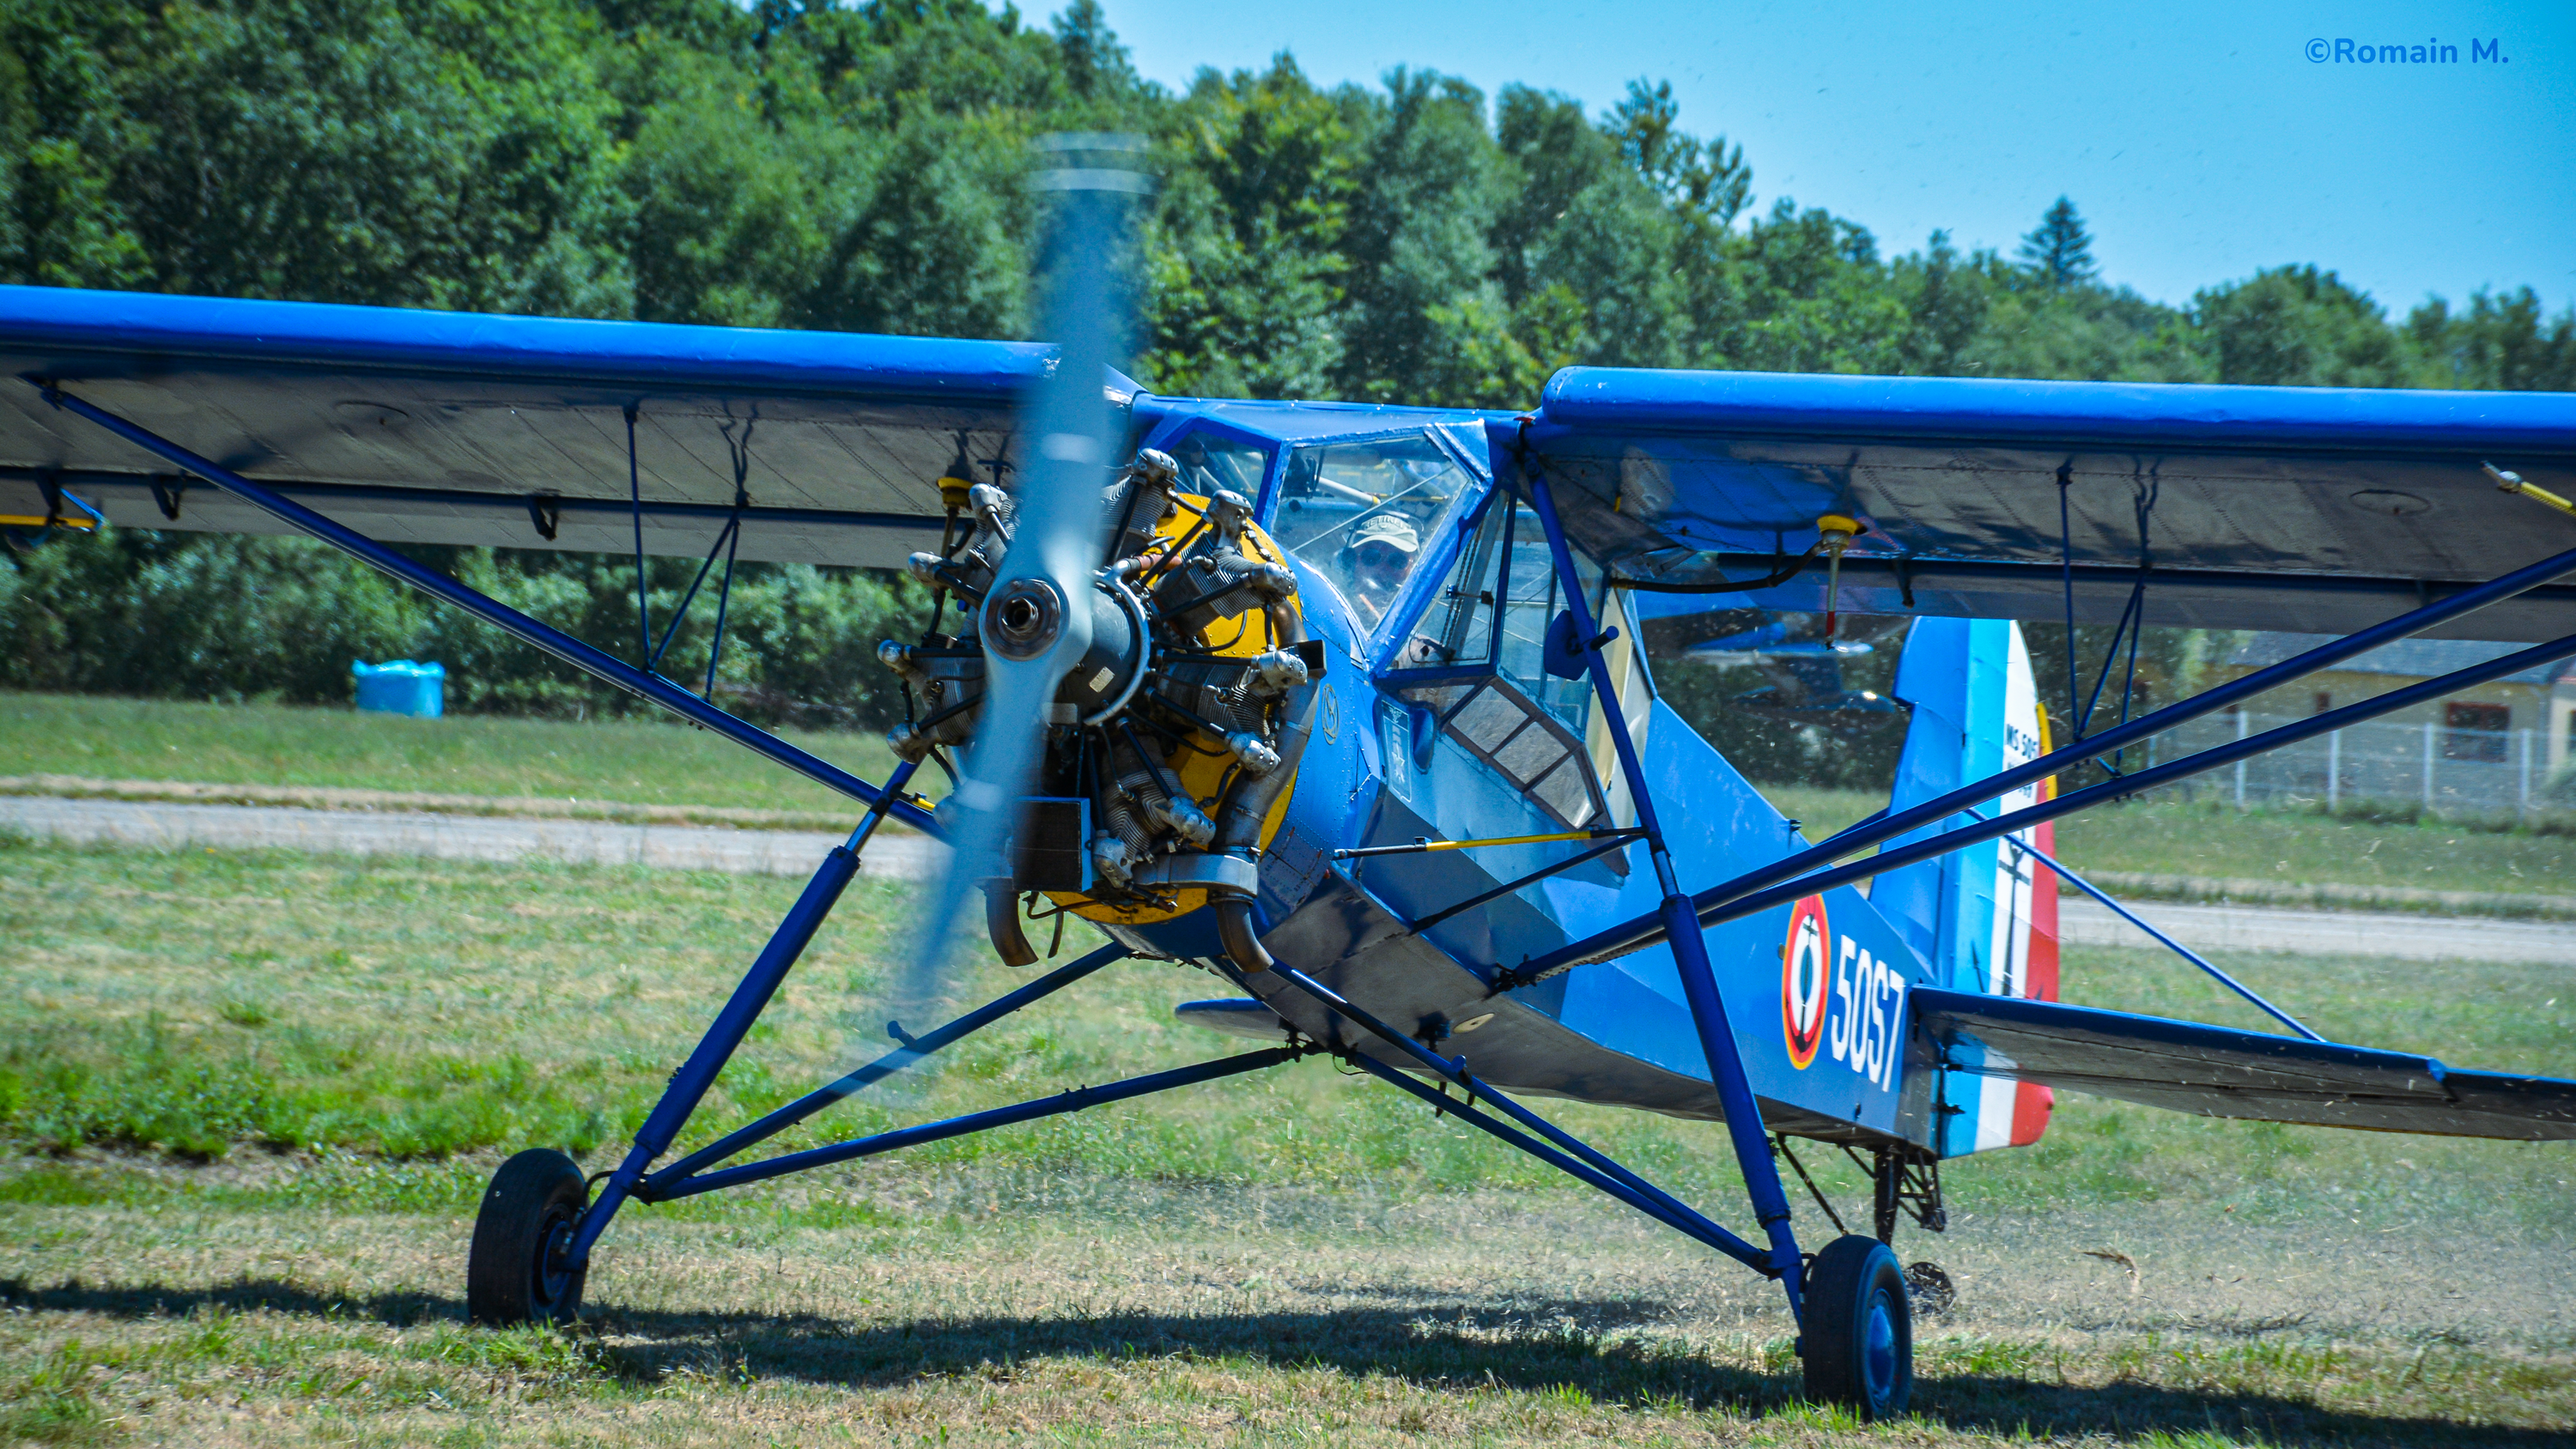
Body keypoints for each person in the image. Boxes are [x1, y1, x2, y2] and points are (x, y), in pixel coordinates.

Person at [1339, 511, 1419, 627]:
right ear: (1351, 560)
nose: (1383, 568)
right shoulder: (1328, 611)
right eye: (1371, 556)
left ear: (1412, 566)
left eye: (1397, 560)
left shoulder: (1419, 638)